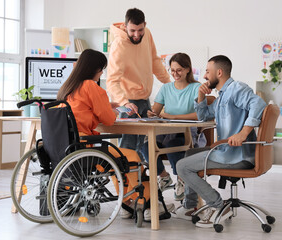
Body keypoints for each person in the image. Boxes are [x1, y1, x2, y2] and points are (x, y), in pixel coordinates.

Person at [57, 49, 174, 219]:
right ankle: (147, 204)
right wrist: (116, 109)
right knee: (132, 156)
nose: (102, 72)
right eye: (101, 69)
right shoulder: (91, 86)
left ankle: (127, 204)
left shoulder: (67, 88)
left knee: (116, 160)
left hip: (70, 148)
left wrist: (110, 104)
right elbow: (109, 120)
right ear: (93, 69)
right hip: (86, 147)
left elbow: (85, 109)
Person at [173, 55, 266, 228]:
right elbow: (203, 116)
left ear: (220, 72)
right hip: (227, 152)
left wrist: (244, 133)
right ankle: (190, 206)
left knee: (181, 166)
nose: (205, 76)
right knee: (190, 153)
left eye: (208, 72)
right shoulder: (223, 96)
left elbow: (259, 104)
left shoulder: (236, 89)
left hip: (236, 156)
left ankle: (218, 206)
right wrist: (200, 95)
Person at [141, 53, 206, 201]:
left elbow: (199, 115)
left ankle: (182, 179)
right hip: (165, 132)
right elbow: (155, 112)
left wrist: (174, 117)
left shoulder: (197, 87)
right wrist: (151, 114)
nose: (175, 74)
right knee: (145, 146)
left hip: (187, 134)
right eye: (172, 70)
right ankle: (163, 176)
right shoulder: (166, 88)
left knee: (173, 144)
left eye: (179, 70)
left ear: (188, 69)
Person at [106, 8, 170, 158]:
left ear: (145, 25)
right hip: (127, 102)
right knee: (127, 147)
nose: (137, 35)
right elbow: (112, 81)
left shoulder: (146, 34)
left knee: (142, 147)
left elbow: (154, 60)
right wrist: (124, 102)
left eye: (140, 30)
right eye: (132, 30)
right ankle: (127, 180)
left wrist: (169, 84)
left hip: (144, 100)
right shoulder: (119, 46)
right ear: (126, 26)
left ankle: (140, 179)